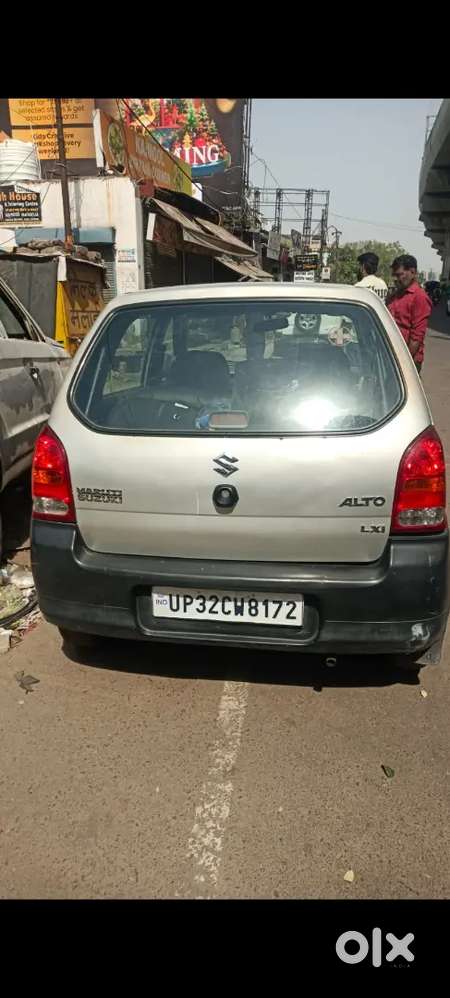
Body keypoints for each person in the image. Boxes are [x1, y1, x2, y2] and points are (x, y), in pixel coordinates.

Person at [387, 254, 432, 374]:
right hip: (390, 356)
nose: (396, 279)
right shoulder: (395, 295)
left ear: (412, 272)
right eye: (394, 275)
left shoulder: (419, 297)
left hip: (407, 359)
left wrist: (404, 362)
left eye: (399, 275)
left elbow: (416, 337)